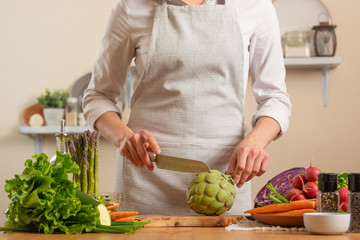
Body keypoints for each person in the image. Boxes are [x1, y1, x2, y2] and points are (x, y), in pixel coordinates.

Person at [83, 0, 291, 214]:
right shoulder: (131, 7)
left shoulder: (255, 6)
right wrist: (124, 138)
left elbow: (275, 98)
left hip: (224, 183)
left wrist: (256, 141)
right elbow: (97, 95)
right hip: (146, 178)